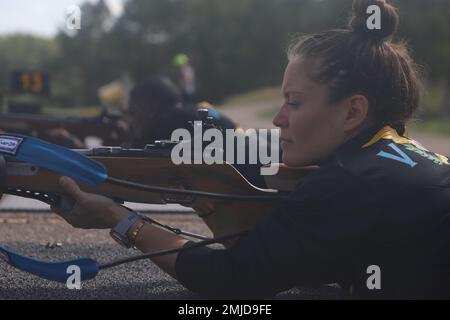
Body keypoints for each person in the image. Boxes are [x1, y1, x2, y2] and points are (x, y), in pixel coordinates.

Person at [52, 0, 450, 299]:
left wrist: (122, 221)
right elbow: (298, 263)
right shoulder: (400, 158)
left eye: (294, 103)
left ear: (352, 112)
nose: (278, 119)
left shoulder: (346, 181)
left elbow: (232, 281)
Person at [122, 75, 236, 148]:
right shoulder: (190, 110)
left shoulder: (168, 122)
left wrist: (128, 138)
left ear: (152, 106)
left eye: (134, 111)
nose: (133, 118)